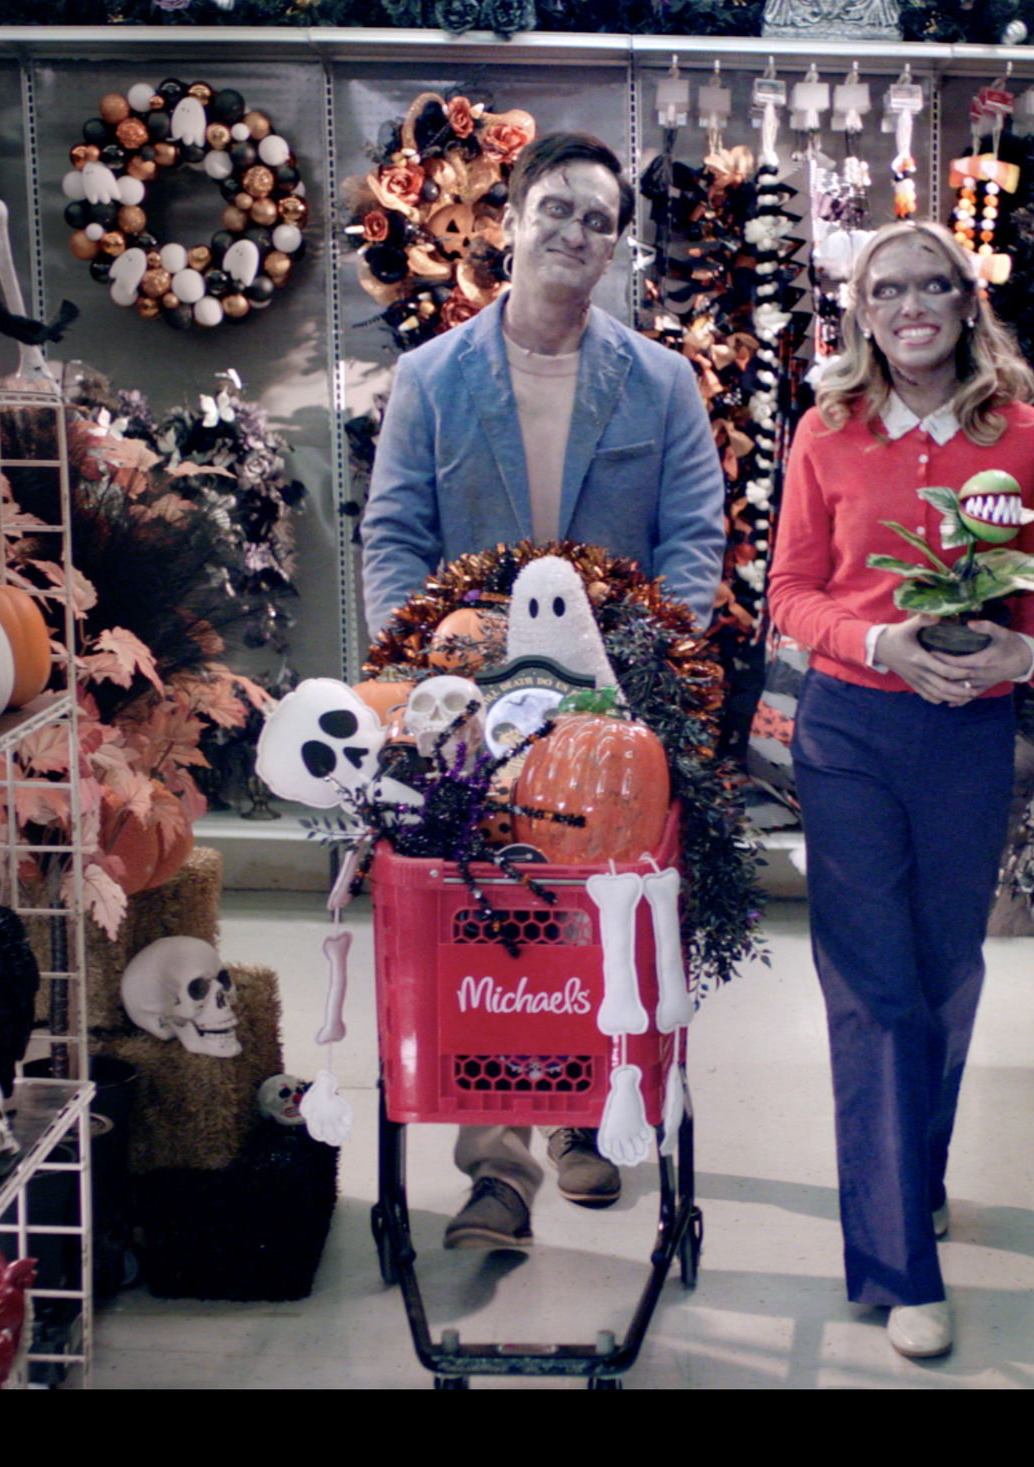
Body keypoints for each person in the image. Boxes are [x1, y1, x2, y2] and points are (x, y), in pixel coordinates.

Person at [361, 132, 726, 1252]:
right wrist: (424, 664)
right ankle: (496, 1168)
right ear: (509, 220)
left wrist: (652, 669)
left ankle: (582, 1118)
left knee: (589, 910)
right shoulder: (430, 379)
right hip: (463, 702)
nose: (574, 233)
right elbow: (394, 538)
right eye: (555, 210)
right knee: (481, 918)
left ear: (616, 246)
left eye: (597, 221)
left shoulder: (661, 384)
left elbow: (695, 544)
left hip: (610, 708)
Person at [765, 219, 1034, 1360]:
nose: (910, 306)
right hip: (850, 728)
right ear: (862, 313)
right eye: (886, 290)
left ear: (963, 299)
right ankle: (898, 1264)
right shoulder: (825, 433)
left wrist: (1023, 657)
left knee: (948, 971)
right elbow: (790, 591)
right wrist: (876, 645)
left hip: (969, 737)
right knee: (874, 987)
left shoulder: (1026, 434)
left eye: (931, 284)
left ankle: (914, 1173)